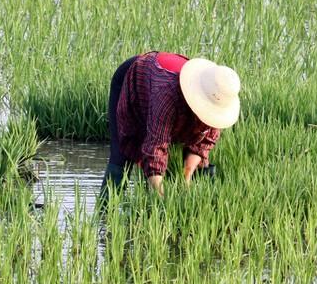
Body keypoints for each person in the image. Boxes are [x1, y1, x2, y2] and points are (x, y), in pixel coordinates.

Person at [101, 52, 241, 199]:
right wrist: (165, 201)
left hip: (157, 87)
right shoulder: (168, 97)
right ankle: (104, 213)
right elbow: (155, 150)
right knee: (122, 155)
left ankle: (147, 206)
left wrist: (186, 178)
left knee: (195, 165)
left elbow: (204, 142)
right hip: (134, 77)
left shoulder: (217, 97)